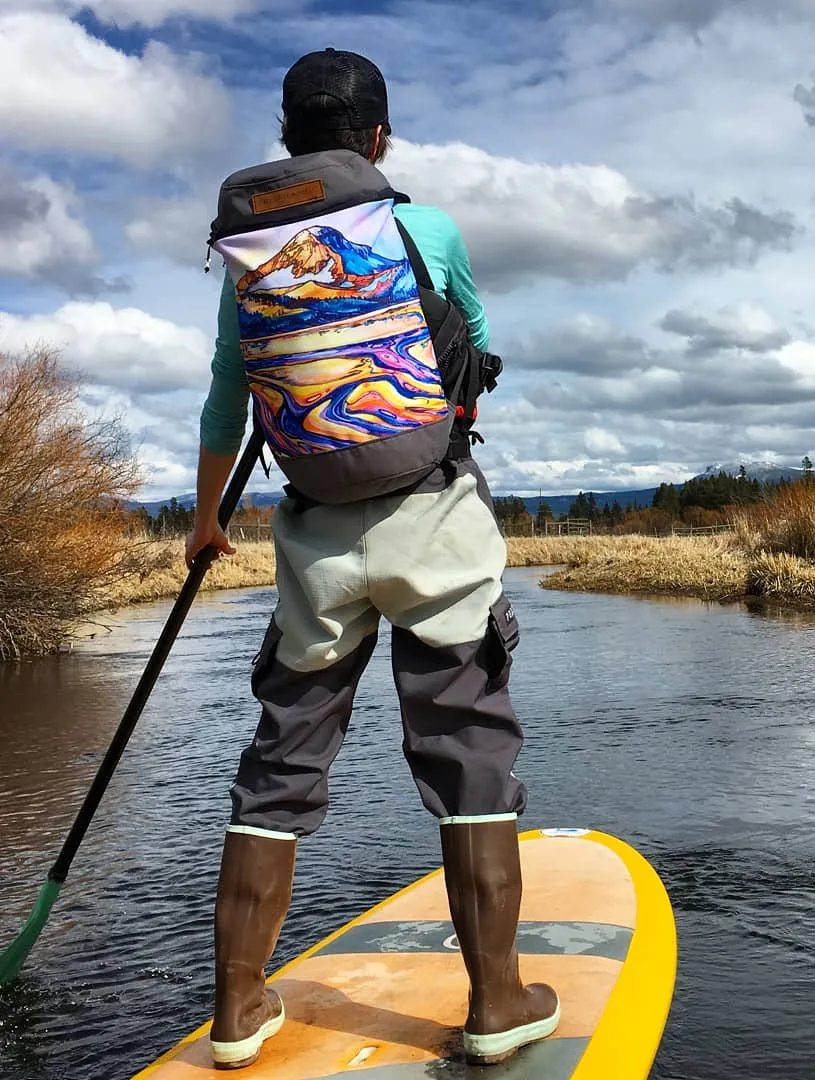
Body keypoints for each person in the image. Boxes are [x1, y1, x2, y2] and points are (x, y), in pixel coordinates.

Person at [185, 48, 559, 1071]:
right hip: (430, 515)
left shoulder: (249, 253)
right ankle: (496, 1004)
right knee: (466, 737)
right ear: (379, 140)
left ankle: (236, 1012)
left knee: (281, 759)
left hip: (312, 534)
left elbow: (229, 394)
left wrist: (207, 517)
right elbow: (474, 348)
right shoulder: (424, 228)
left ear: (287, 139)